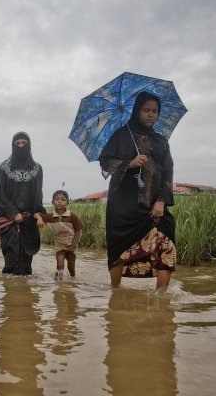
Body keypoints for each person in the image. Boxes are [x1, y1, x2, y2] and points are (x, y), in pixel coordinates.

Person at [98, 91, 176, 290]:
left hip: (154, 204)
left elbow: (168, 172)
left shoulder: (161, 141)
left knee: (166, 243)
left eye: (155, 111)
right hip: (123, 206)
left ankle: (162, 298)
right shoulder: (121, 135)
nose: (151, 115)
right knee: (119, 251)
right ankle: (115, 292)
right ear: (137, 111)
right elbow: (105, 162)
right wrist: (129, 163)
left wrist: (161, 201)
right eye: (146, 110)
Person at [0, 131, 46, 275]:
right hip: (10, 221)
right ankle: (9, 294)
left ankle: (26, 295)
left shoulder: (37, 168)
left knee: (26, 262)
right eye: (18, 143)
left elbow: (38, 193)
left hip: (29, 221)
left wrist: (39, 214)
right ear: (12, 145)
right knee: (12, 257)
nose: (21, 146)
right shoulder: (4, 168)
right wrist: (13, 212)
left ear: (29, 145)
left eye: (24, 143)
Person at [41, 190, 83, 280]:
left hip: (71, 245)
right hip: (60, 246)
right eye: (56, 199)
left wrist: (74, 245)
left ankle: (72, 280)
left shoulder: (72, 216)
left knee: (71, 267)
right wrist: (39, 219)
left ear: (67, 202)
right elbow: (37, 214)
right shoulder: (50, 217)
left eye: (63, 199)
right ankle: (58, 283)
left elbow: (78, 231)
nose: (59, 201)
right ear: (52, 202)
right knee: (60, 264)